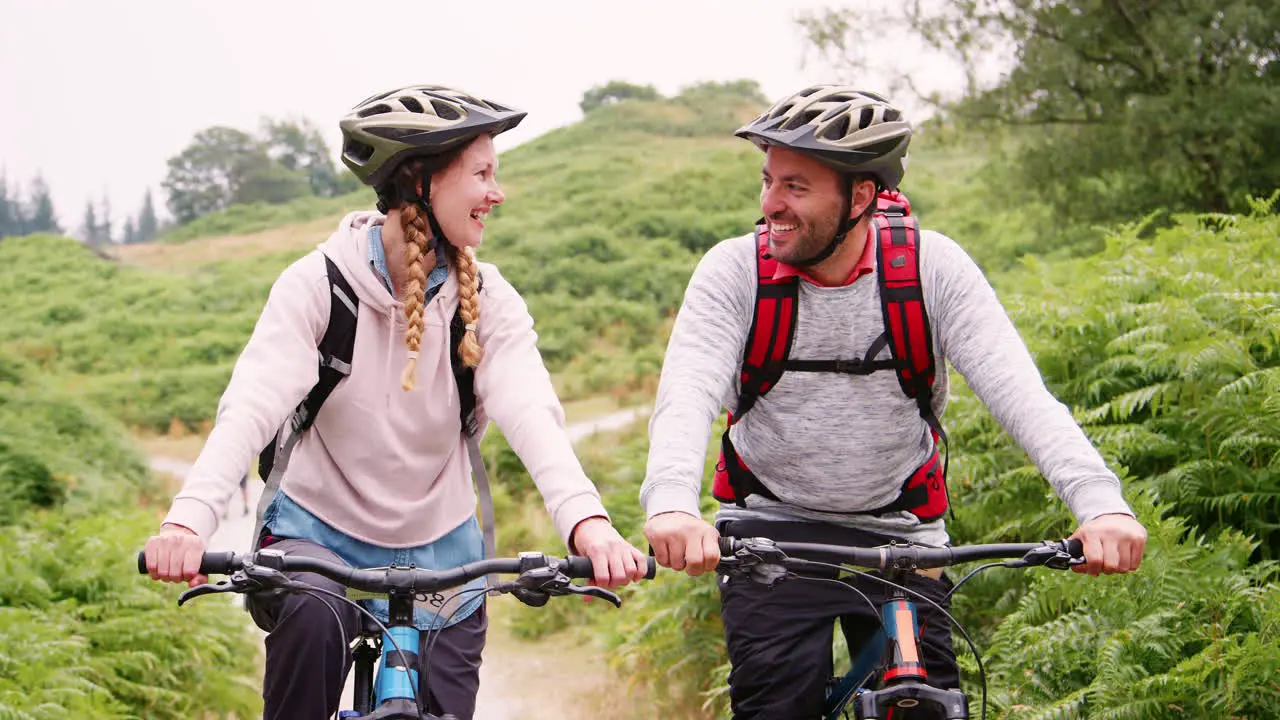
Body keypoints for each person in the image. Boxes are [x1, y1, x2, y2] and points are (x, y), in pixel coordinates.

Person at [640, 84, 1148, 719]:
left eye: (796, 187)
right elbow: (685, 396)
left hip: (901, 536)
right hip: (770, 537)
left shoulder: (931, 269)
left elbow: (1023, 395)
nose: (771, 204)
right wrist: (671, 506)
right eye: (768, 182)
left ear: (861, 195)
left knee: (926, 707)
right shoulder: (734, 272)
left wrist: (1100, 506)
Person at [143, 84, 648, 720]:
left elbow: (531, 413)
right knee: (309, 622)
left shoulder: (488, 301)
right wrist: (188, 521)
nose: (498, 192)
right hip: (315, 538)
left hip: (442, 546)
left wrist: (587, 522)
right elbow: (250, 407)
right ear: (419, 181)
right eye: (482, 174)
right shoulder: (318, 287)